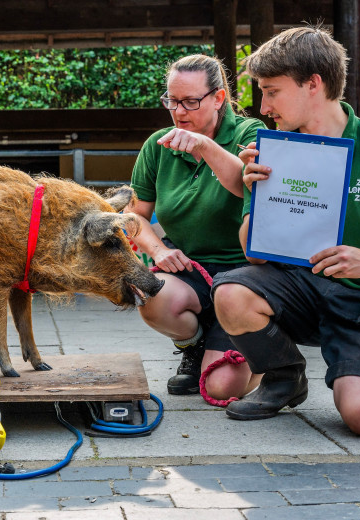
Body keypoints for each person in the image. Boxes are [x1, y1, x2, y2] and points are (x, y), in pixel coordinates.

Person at [212, 25, 360, 436]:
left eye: (272, 91)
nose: (264, 105)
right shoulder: (272, 149)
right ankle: (283, 376)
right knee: (231, 293)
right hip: (299, 288)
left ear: (313, 84)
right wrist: (258, 194)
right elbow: (254, 255)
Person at [126, 54, 266, 399]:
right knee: (150, 291)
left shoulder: (252, 133)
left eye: (190, 101)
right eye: (172, 101)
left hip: (245, 275)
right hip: (192, 268)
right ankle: (196, 343)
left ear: (219, 98)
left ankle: (265, 350)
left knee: (222, 391)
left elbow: (245, 183)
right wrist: (159, 249)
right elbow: (133, 215)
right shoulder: (159, 145)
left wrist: (205, 146)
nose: (179, 112)